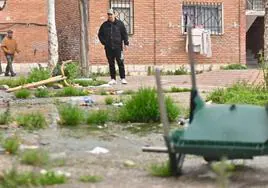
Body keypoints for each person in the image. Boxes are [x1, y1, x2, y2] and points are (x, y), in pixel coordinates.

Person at [98, 9, 129, 85]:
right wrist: (104, 42)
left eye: (111, 14)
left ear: (115, 15)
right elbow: (100, 34)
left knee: (120, 62)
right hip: (108, 48)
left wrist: (126, 43)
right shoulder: (104, 25)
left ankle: (123, 78)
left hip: (118, 47)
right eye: (109, 15)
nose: (110, 16)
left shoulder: (120, 24)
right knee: (111, 63)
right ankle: (113, 79)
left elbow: (124, 34)